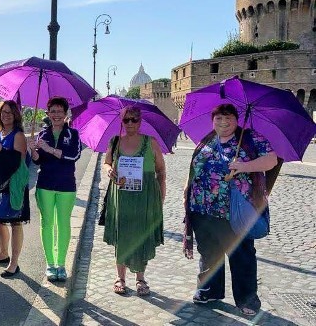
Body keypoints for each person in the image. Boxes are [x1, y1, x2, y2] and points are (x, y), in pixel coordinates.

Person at [183, 103, 277, 316]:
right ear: (212, 120)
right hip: (202, 208)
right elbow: (194, 168)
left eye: (228, 119)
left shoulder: (250, 139)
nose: (223, 123)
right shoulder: (206, 141)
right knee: (208, 253)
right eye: (219, 119)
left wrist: (244, 166)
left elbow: (271, 160)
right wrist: (187, 191)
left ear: (236, 120)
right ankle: (210, 291)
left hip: (233, 210)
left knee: (241, 254)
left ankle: (247, 300)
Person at [102, 106, 166, 296]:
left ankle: (140, 278)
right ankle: (120, 277)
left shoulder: (151, 142)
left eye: (134, 120)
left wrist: (160, 197)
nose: (130, 123)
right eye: (126, 120)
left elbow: (161, 171)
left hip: (144, 196)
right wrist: (108, 171)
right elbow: (106, 163)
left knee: (141, 234)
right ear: (121, 121)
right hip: (120, 196)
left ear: (140, 121)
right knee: (122, 234)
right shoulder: (114, 142)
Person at [29, 96, 81, 282]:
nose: (56, 115)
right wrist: (33, 152)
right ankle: (50, 264)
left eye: (60, 111)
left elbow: (73, 156)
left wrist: (49, 149)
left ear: (65, 114)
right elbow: (39, 161)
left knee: (63, 223)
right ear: (48, 114)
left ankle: (61, 264)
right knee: (47, 223)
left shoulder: (73, 134)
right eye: (53, 111)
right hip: (45, 185)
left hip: (66, 185)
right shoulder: (42, 135)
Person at [0, 100, 30, 278]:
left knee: (15, 222)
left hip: (14, 186)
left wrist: (1, 151)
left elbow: (17, 160)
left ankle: (14, 263)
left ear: (16, 116)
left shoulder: (18, 135)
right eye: (3, 112)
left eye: (10, 113)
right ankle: (3, 253)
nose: (6, 115)